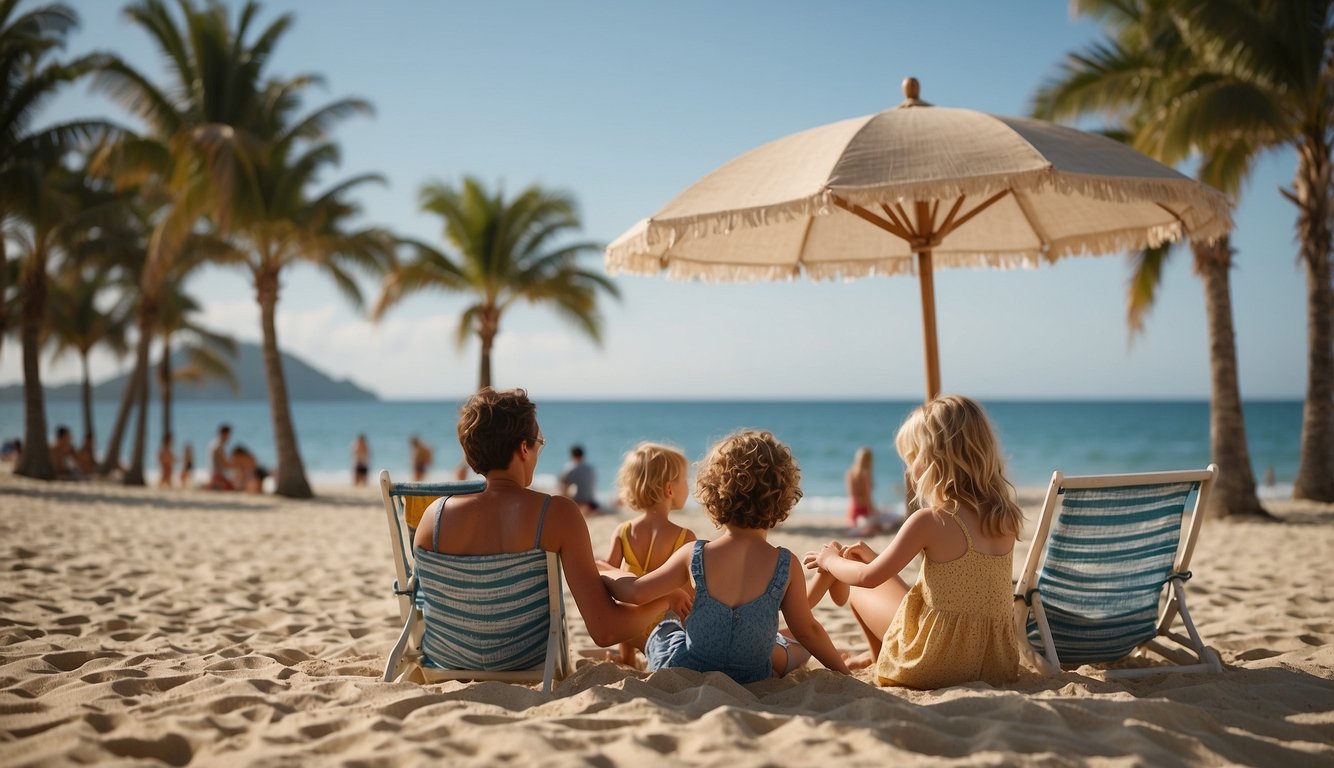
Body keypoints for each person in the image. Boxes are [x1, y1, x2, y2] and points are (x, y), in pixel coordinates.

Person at [411, 387, 673, 665]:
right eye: (539, 442)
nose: (538, 450)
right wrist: (665, 602)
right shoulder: (557, 514)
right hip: (524, 660)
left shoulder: (433, 518)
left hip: (448, 657)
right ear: (524, 448)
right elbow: (605, 629)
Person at [804, 394, 1023, 689]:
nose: (909, 470)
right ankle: (874, 656)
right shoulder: (1005, 517)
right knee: (873, 567)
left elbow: (868, 579)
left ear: (936, 460)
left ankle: (879, 656)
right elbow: (956, 592)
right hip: (993, 663)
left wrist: (831, 560)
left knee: (855, 578)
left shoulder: (931, 520)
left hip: (931, 661)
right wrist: (874, 557)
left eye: (912, 458)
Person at [602, 430, 850, 683]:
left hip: (688, 667)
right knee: (802, 645)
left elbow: (636, 593)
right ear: (783, 496)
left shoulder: (694, 554)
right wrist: (845, 674)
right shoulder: (786, 564)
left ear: (713, 493)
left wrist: (606, 572)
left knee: (666, 628)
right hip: (752, 673)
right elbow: (808, 630)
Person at [603, 442, 697, 666]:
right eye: (685, 480)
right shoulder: (684, 537)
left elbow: (608, 580)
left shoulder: (623, 531)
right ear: (670, 489)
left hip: (629, 628)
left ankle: (627, 657)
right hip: (664, 628)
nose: (688, 486)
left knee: (625, 589)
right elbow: (691, 595)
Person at [559, 445, 600, 514]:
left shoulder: (570, 469)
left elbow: (563, 486)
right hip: (592, 503)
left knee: (563, 488)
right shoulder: (591, 469)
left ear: (572, 455)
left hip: (579, 503)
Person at [207, 424, 235, 490]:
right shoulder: (218, 446)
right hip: (217, 476)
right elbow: (224, 464)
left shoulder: (214, 443)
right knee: (233, 487)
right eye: (229, 435)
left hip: (214, 474)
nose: (229, 437)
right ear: (224, 434)